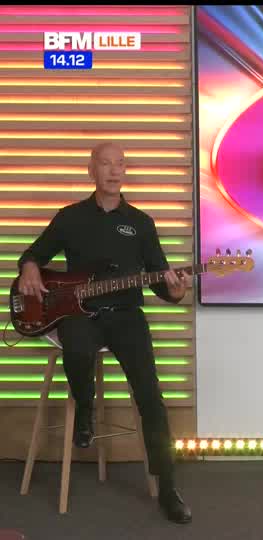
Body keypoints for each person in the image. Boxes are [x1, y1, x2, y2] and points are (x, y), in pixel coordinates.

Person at [16, 142, 192, 524]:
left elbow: (160, 280)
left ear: (125, 172)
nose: (114, 171)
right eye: (106, 164)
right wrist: (29, 267)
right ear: (91, 170)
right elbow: (33, 254)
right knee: (77, 349)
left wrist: (176, 290)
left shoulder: (141, 223)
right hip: (80, 316)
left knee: (151, 395)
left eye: (120, 164)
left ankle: (167, 487)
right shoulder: (70, 218)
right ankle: (85, 407)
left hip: (126, 318)